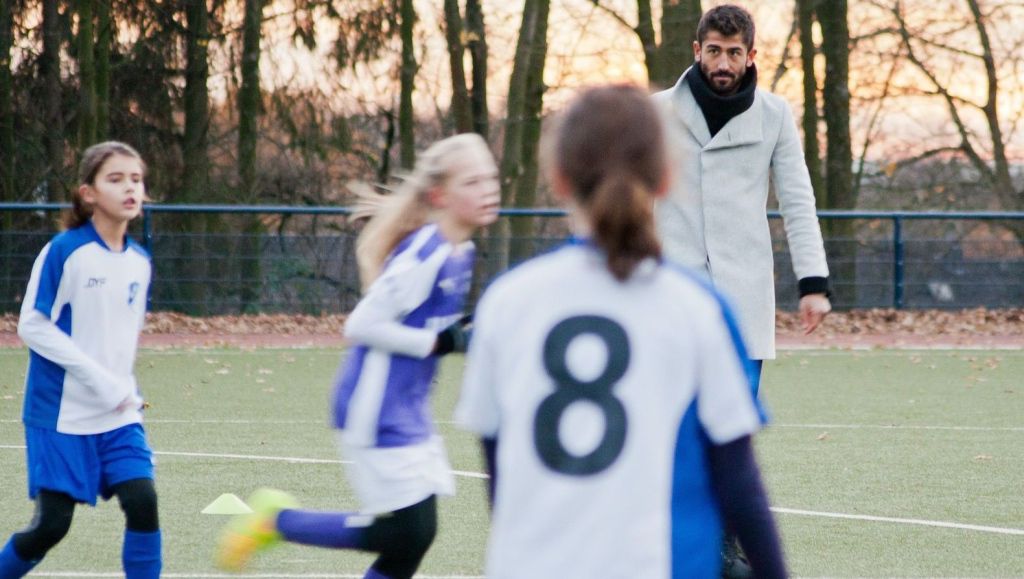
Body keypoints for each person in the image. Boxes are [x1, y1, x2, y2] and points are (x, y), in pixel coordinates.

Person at [455, 85, 787, 579]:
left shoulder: (507, 303)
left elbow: (502, 477)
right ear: (667, 177)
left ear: (559, 178)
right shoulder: (699, 309)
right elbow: (738, 482)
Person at [215, 133, 500, 579]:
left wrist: (465, 333)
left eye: (491, 179)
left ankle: (276, 520)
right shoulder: (426, 253)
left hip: (408, 408)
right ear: (441, 194)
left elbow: (427, 323)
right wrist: (439, 343)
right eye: (474, 182)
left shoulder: (461, 251)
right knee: (406, 534)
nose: (489, 190)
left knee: (413, 539)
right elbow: (362, 325)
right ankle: (275, 521)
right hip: (375, 407)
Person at [653, 3, 832, 397]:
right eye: (714, 50)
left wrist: (813, 284)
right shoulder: (655, 112)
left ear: (750, 56)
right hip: (670, 290)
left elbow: (798, 202)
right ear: (697, 50)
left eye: (734, 53)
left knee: (733, 426)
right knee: (668, 423)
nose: (723, 62)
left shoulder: (775, 115)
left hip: (743, 293)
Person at [0, 142, 160, 578]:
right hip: (60, 414)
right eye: (115, 179)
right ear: (88, 193)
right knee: (52, 525)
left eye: (136, 179)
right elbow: (32, 325)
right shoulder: (65, 251)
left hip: (117, 415)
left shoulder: (140, 262)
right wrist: (97, 379)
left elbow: (116, 342)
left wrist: (125, 390)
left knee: (143, 501)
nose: (130, 187)